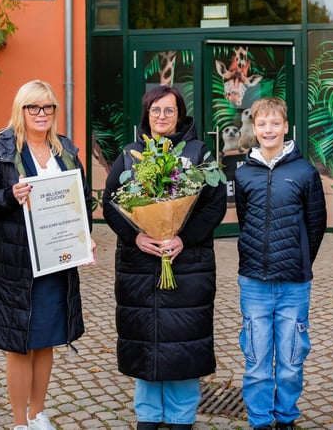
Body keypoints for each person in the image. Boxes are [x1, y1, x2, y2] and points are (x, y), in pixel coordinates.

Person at [101, 85, 228, 430]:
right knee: (145, 339)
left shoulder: (199, 155)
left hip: (188, 266)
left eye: (169, 111)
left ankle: (181, 416)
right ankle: (148, 415)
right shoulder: (130, 155)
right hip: (139, 266)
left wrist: (183, 238)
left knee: (184, 341)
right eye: (155, 110)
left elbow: (214, 207)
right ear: (146, 115)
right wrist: (135, 235)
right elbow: (110, 205)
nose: (161, 117)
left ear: (180, 115)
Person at [0, 79, 91, 430]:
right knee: (20, 343)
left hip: (56, 259)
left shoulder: (65, 148)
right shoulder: (1, 148)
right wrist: (10, 195)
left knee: (46, 338)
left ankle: (39, 413)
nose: (42, 114)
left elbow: (81, 199)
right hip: (15, 263)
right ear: (20, 110)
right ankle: (19, 421)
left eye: (48, 107)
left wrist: (85, 238)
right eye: (33, 107)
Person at [233, 97, 327, 430]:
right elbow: (245, 221)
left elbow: (316, 225)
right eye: (262, 124)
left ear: (286, 127)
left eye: (275, 123)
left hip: (294, 283)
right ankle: (259, 419)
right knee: (257, 358)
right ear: (254, 129)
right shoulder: (244, 173)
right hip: (254, 282)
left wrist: (300, 258)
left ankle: (285, 417)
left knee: (290, 358)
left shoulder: (305, 172)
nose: (268, 129)